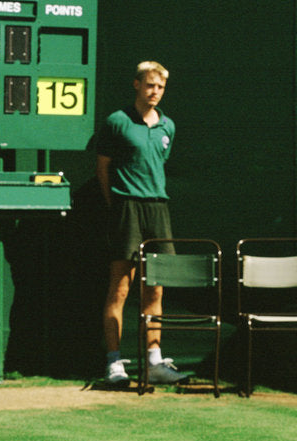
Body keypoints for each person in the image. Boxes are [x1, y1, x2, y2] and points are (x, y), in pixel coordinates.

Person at [96, 61, 186, 386]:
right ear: (137, 84)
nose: (155, 92)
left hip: (158, 209)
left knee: (155, 288)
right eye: (150, 85)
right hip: (126, 208)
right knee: (120, 288)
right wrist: (117, 205)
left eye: (160, 87)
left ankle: (154, 362)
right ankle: (114, 364)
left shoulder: (168, 126)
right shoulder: (117, 122)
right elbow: (103, 169)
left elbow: (158, 164)